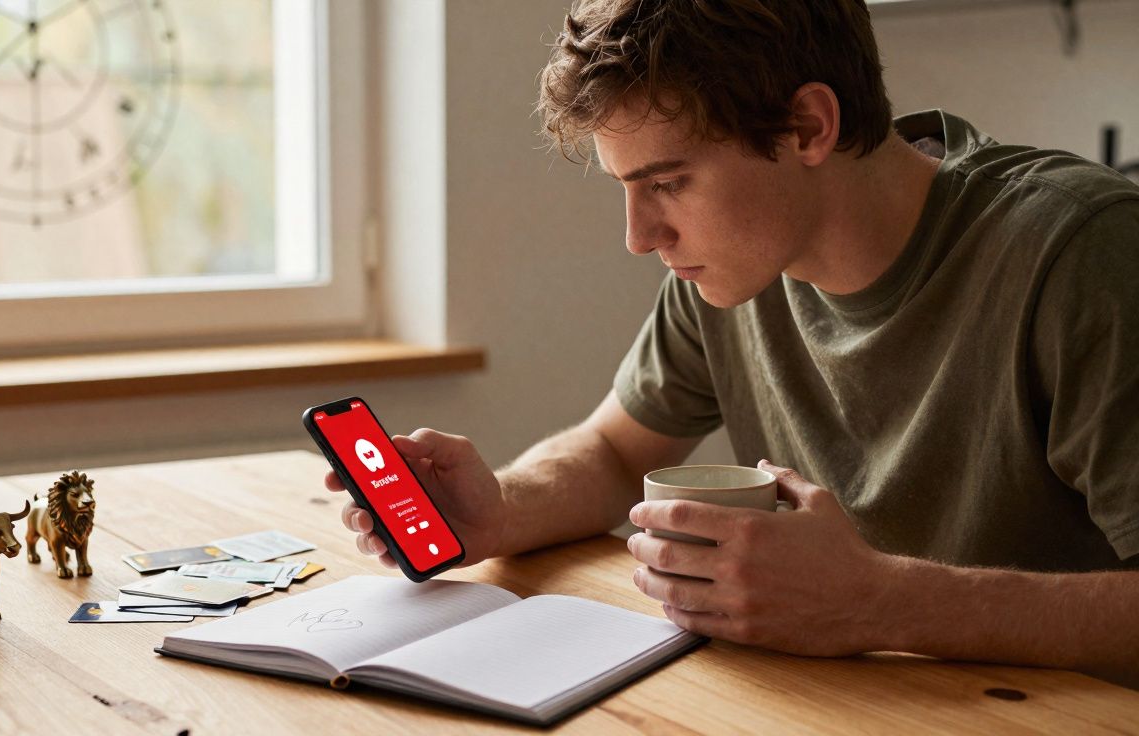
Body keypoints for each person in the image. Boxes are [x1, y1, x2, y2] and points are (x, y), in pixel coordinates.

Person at [324, 0, 1139, 685]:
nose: (640, 237)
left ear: (808, 126)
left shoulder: (1082, 256)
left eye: (667, 182)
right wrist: (502, 508)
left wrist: (880, 601)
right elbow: (615, 453)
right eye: (627, 188)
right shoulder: (734, 270)